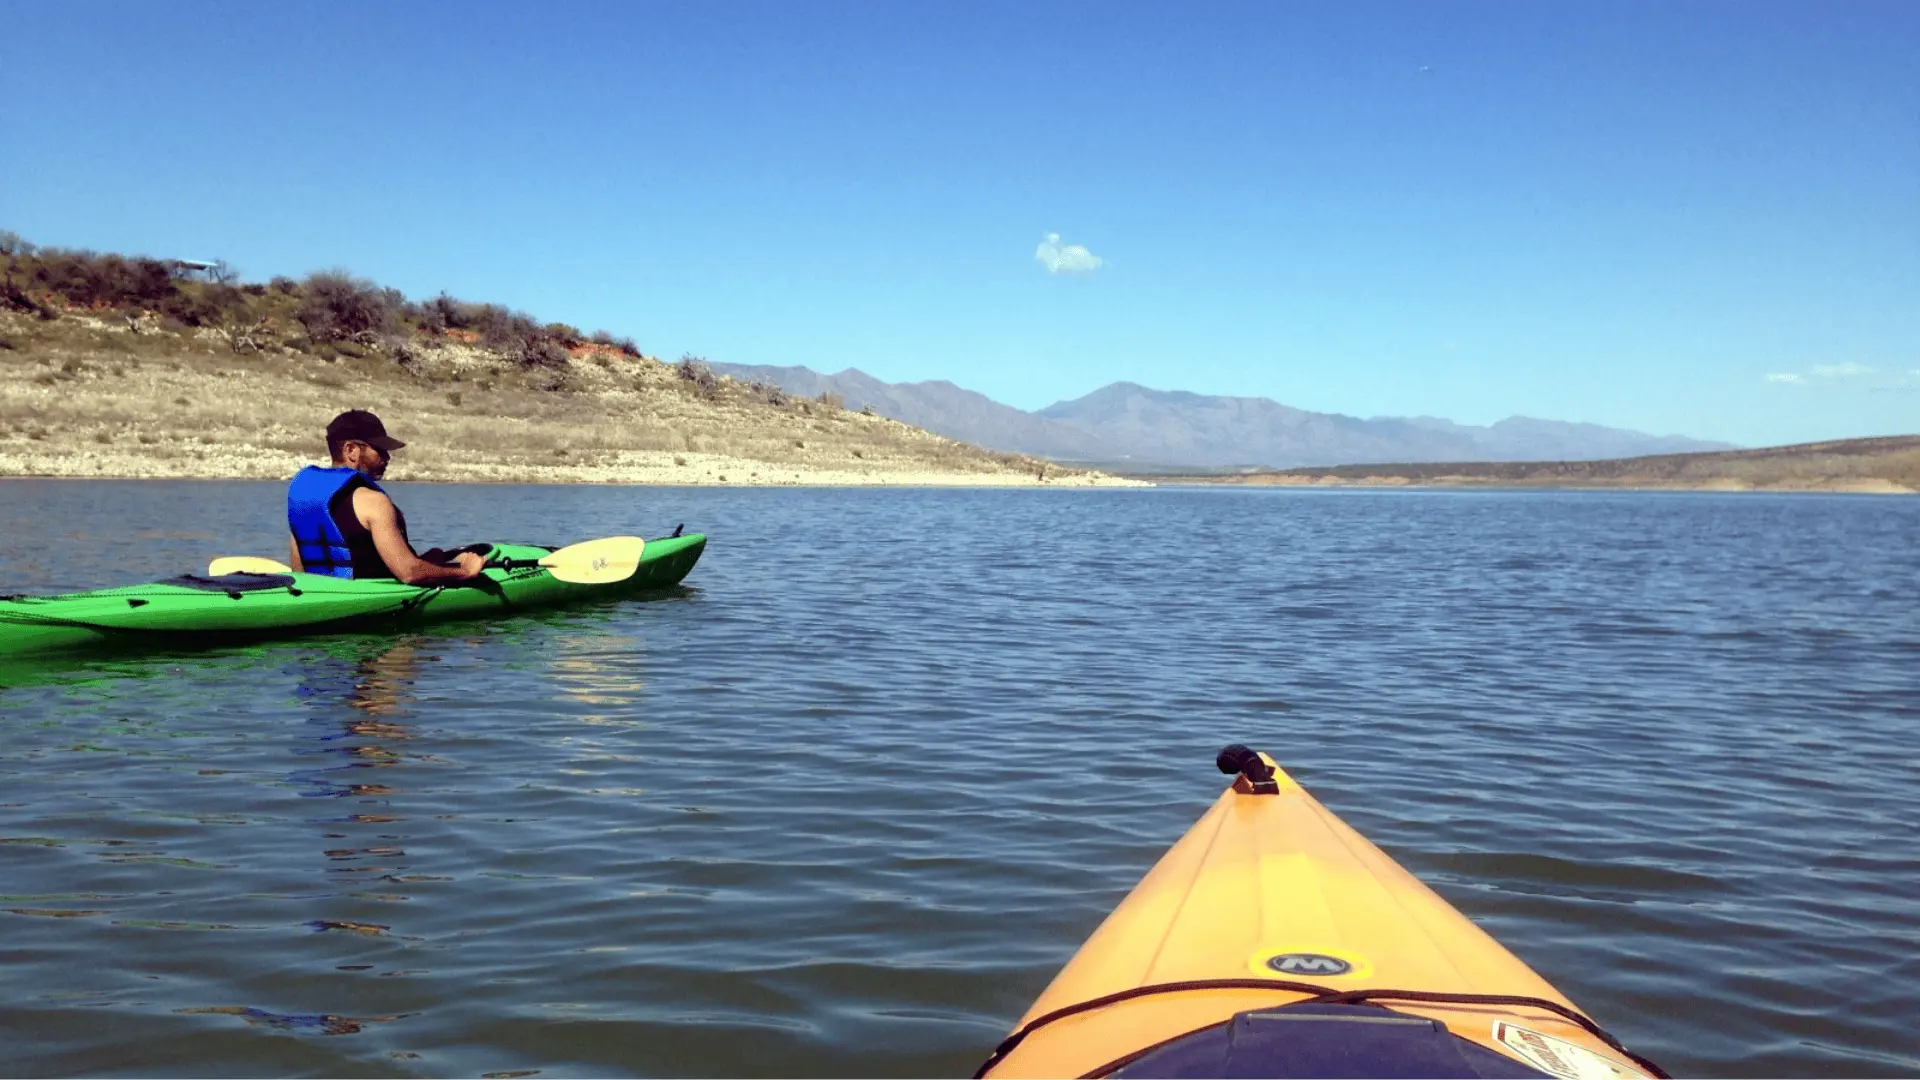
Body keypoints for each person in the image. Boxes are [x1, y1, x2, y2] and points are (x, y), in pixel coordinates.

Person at [286, 410, 485, 584]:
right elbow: (409, 573)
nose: (387, 458)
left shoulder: (305, 500)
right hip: (370, 600)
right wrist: (465, 571)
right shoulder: (374, 502)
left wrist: (428, 561)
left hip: (320, 594)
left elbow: (299, 570)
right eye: (379, 450)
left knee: (432, 556)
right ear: (351, 450)